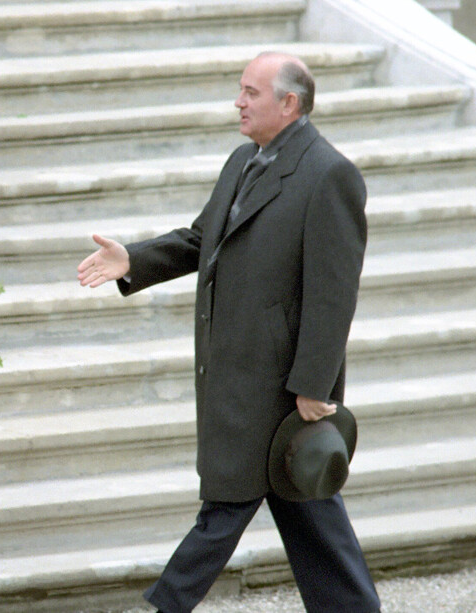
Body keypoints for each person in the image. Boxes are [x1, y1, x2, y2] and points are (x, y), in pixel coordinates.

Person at [77, 52, 381, 613]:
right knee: (309, 513)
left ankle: (162, 605)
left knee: (224, 511)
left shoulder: (329, 174)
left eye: (250, 92)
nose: (238, 101)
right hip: (239, 377)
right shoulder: (244, 159)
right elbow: (201, 240)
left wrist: (315, 384)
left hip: (283, 388)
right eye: (240, 91)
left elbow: (334, 292)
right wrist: (134, 260)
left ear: (288, 103)